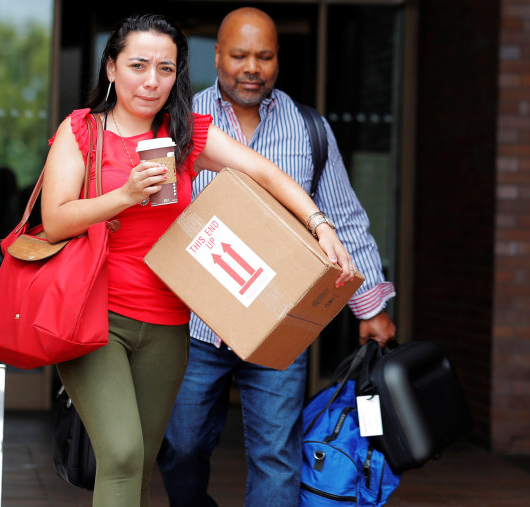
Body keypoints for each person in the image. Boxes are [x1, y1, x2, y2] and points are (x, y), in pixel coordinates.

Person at [40, 13, 357, 507]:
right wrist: (124, 195)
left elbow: (267, 174)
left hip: (167, 326)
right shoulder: (82, 131)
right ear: (111, 68)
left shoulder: (185, 135)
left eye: (165, 69)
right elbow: (56, 219)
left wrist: (320, 224)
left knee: (143, 463)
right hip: (95, 317)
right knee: (122, 455)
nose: (151, 80)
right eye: (138, 65)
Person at [157, 7, 397, 507]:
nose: (252, 67)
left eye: (264, 56)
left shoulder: (310, 130)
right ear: (216, 54)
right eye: (239, 55)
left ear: (277, 59)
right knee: (180, 448)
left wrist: (370, 308)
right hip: (195, 325)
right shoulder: (181, 123)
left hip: (279, 325)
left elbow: (346, 219)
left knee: (276, 457)